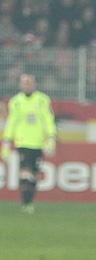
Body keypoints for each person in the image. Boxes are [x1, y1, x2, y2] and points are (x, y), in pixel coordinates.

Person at [1, 74, 56, 213]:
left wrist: (51, 139)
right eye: (24, 83)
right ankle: (25, 202)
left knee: (34, 175)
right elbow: (11, 123)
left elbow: (49, 120)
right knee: (25, 173)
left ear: (34, 84)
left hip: (38, 143)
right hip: (22, 142)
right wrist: (6, 143)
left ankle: (29, 201)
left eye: (29, 82)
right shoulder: (16, 101)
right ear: (20, 85)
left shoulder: (42, 100)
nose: (27, 85)